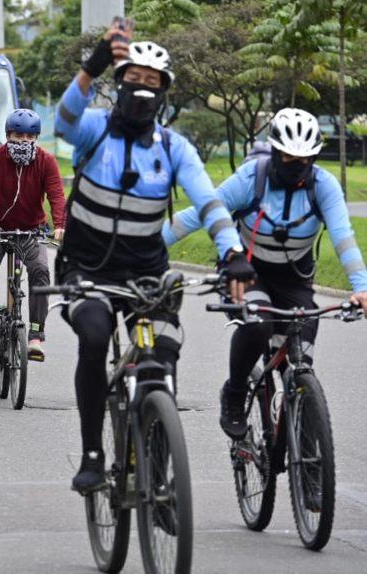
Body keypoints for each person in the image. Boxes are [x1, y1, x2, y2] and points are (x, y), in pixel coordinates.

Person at [54, 26, 253, 493]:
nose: (142, 88)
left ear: (164, 93)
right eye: (133, 78)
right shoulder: (94, 132)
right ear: (119, 81)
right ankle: (92, 453)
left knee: (160, 358)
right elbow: (63, 121)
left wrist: (233, 252)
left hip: (147, 272)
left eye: (153, 81)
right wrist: (91, 66)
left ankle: (160, 474)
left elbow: (209, 202)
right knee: (95, 335)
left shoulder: (173, 148)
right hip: (87, 270)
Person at [164, 108, 367, 439]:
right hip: (249, 273)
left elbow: (344, 239)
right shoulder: (250, 179)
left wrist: (362, 287)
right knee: (258, 325)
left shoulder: (324, 185)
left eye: (305, 158)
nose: (296, 164)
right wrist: (148, 247)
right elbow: (198, 214)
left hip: (294, 279)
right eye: (288, 156)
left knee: (302, 347)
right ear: (274, 151)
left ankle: (304, 437)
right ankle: (234, 392)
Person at [0, 109, 67, 363]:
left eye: (30, 136)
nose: (24, 140)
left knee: (40, 270)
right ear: (7, 135)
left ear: (37, 137)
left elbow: (56, 194)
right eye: (18, 135)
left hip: (30, 230)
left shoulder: (46, 161)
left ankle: (35, 335)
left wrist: (60, 225)